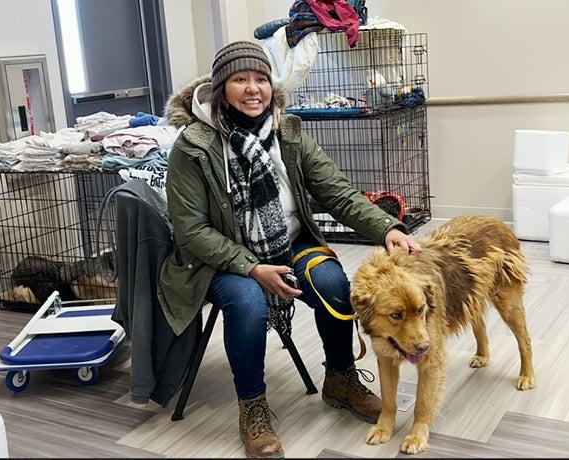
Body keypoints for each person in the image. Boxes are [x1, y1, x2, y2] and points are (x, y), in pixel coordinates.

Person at [160, 41, 421, 458]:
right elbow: (191, 231)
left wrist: (386, 227)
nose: (253, 89)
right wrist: (251, 267)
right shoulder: (193, 145)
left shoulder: (289, 133)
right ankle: (253, 408)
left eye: (261, 79)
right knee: (247, 303)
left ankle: (340, 380)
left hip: (288, 242)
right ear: (220, 88)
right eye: (240, 79)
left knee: (335, 284)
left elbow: (337, 192)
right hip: (219, 259)